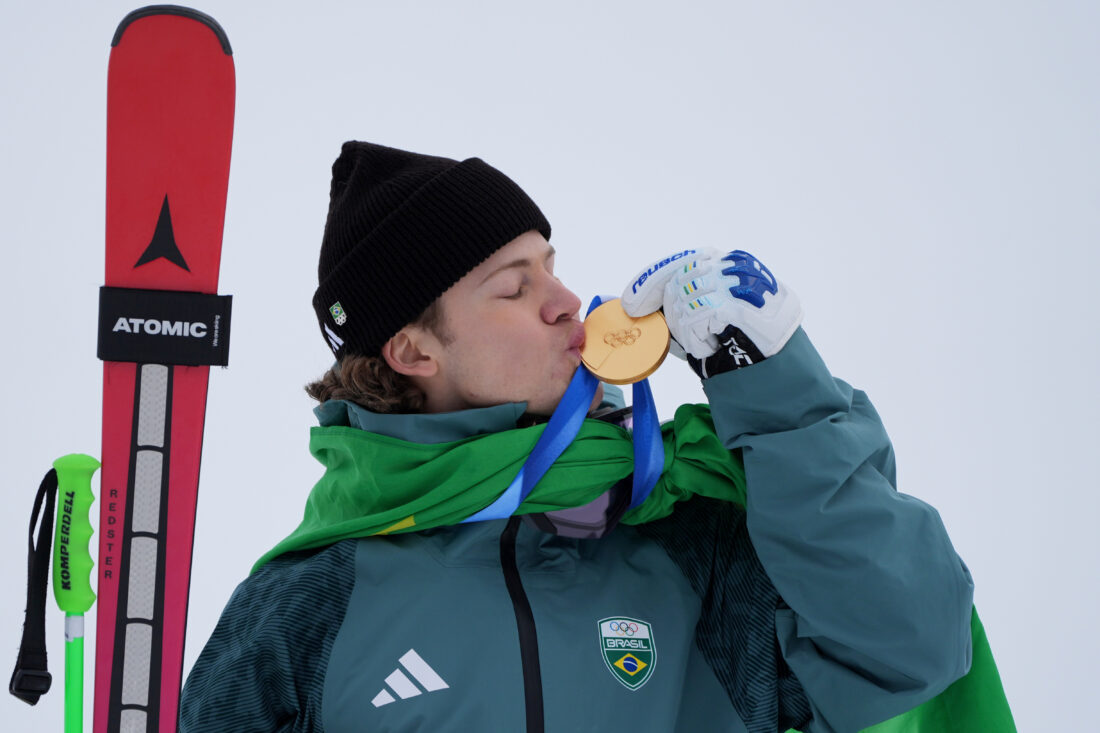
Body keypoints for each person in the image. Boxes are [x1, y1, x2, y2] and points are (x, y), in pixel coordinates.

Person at [179, 141, 976, 732]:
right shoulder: (310, 603)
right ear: (413, 350)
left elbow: (907, 646)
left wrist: (773, 382)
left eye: (553, 268)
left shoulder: (688, 537)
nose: (567, 302)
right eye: (515, 287)